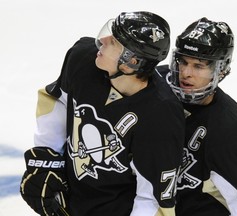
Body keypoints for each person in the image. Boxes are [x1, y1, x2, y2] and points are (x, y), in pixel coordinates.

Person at [19, 11, 185, 216]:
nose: (102, 40)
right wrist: (47, 158)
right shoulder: (82, 58)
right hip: (70, 197)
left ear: (131, 61)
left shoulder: (161, 115)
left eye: (114, 42)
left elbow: (152, 198)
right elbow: (57, 99)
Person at [157, 17, 237, 215]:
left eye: (199, 66)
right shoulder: (155, 84)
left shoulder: (234, 130)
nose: (186, 73)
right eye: (183, 62)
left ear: (221, 71)